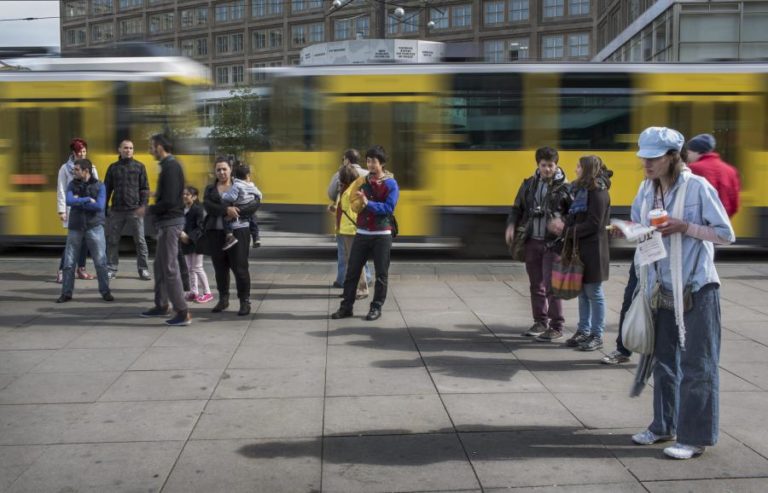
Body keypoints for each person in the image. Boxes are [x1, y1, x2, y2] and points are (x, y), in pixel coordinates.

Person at [629, 126, 734, 460]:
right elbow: (637, 226)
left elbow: (725, 234)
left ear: (673, 157)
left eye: (653, 158)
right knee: (663, 363)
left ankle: (694, 437)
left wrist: (685, 227)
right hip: (661, 288)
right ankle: (663, 426)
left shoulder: (698, 187)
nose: (646, 164)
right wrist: (635, 232)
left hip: (697, 289)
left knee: (698, 366)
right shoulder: (645, 191)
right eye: (643, 157)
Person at [504, 146, 572, 341]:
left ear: (556, 165)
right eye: (544, 165)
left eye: (551, 165)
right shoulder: (529, 185)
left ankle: (556, 325)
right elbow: (517, 209)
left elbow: (574, 215)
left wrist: (563, 222)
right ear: (538, 165)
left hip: (554, 243)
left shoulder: (566, 188)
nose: (547, 169)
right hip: (532, 240)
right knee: (536, 285)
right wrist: (511, 225)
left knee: (552, 286)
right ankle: (540, 321)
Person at [549, 155, 612, 351]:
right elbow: (575, 216)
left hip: (594, 249)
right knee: (583, 292)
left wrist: (567, 231)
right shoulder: (581, 190)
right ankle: (583, 330)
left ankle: (597, 334)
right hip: (581, 248)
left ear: (587, 169)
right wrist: (564, 224)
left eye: (578, 166)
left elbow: (595, 224)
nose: (575, 169)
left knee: (594, 292)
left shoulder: (598, 192)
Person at [331, 145, 399, 322]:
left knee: (381, 273)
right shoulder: (361, 181)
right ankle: (346, 307)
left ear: (382, 163)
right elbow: (351, 200)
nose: (370, 165)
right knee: (352, 271)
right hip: (361, 232)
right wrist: (357, 204)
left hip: (382, 233)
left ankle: (376, 307)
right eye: (368, 161)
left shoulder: (391, 184)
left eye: (373, 162)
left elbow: (388, 208)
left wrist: (367, 204)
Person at [140, 134, 190, 326]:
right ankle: (161, 305)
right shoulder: (169, 166)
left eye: (152, 147)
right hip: (166, 222)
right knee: (159, 266)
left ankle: (182, 311)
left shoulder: (171, 167)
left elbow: (170, 201)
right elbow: (170, 195)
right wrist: (156, 194)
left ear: (160, 147)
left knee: (169, 267)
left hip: (170, 222)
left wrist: (148, 209)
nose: (150, 150)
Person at [203, 158, 260, 316]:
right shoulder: (210, 189)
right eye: (218, 170)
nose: (221, 172)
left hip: (239, 232)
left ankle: (244, 301)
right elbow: (208, 206)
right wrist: (226, 210)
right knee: (220, 269)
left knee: (240, 268)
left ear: (230, 170)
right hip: (216, 232)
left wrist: (238, 210)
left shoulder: (242, 184)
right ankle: (223, 299)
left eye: (224, 169)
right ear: (215, 172)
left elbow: (255, 203)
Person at [56, 158, 112, 303]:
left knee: (100, 261)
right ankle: (66, 293)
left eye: (76, 170)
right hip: (75, 227)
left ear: (86, 171)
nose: (73, 172)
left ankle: (105, 291)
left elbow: (99, 206)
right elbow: (69, 201)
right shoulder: (72, 184)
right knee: (69, 262)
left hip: (94, 227)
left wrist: (78, 202)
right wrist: (87, 199)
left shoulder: (100, 185)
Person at [104, 139, 151, 280]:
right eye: (125, 148)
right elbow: (106, 189)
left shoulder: (139, 167)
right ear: (119, 150)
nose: (128, 150)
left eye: (130, 148)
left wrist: (143, 205)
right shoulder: (113, 168)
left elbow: (144, 189)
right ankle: (111, 268)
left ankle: (143, 269)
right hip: (117, 210)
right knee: (112, 240)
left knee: (140, 241)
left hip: (135, 210)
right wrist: (104, 207)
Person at [56, 138, 96, 283]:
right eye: (80, 152)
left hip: (87, 209)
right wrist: (61, 210)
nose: (83, 155)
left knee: (85, 241)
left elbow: (96, 185)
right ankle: (62, 270)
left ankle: (81, 269)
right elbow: (61, 190)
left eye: (84, 151)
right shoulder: (65, 169)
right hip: (72, 209)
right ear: (74, 153)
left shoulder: (92, 167)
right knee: (72, 242)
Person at [327, 149, 368, 288]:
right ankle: (366, 278)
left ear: (347, 160)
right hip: (362, 220)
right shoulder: (367, 174)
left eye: (343, 159)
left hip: (345, 221)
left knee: (344, 253)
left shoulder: (339, 174)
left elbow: (331, 194)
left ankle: (343, 280)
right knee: (362, 252)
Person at [334, 163, 369, 299]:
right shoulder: (346, 189)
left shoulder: (353, 190)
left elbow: (354, 209)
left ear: (345, 178)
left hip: (352, 230)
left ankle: (362, 289)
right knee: (350, 262)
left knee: (355, 262)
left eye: (340, 177)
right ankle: (349, 289)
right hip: (346, 230)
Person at [685, 133, 741, 218]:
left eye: (689, 153)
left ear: (698, 152)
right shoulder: (730, 170)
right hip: (724, 222)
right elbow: (735, 204)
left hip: (701, 223)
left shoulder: (693, 168)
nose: (687, 157)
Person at [180, 186, 212, 303]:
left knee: (197, 268)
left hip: (197, 242)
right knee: (189, 268)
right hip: (186, 242)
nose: (184, 196)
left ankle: (207, 292)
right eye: (183, 194)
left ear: (194, 197)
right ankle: (194, 292)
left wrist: (188, 237)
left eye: (187, 194)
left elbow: (200, 227)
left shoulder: (198, 209)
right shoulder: (183, 209)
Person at [220, 164, 262, 251]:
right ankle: (256, 237)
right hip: (250, 207)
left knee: (226, 219)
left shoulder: (237, 185)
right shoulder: (251, 185)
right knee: (253, 218)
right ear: (247, 176)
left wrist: (224, 195)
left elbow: (232, 197)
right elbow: (259, 194)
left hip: (239, 207)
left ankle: (230, 236)